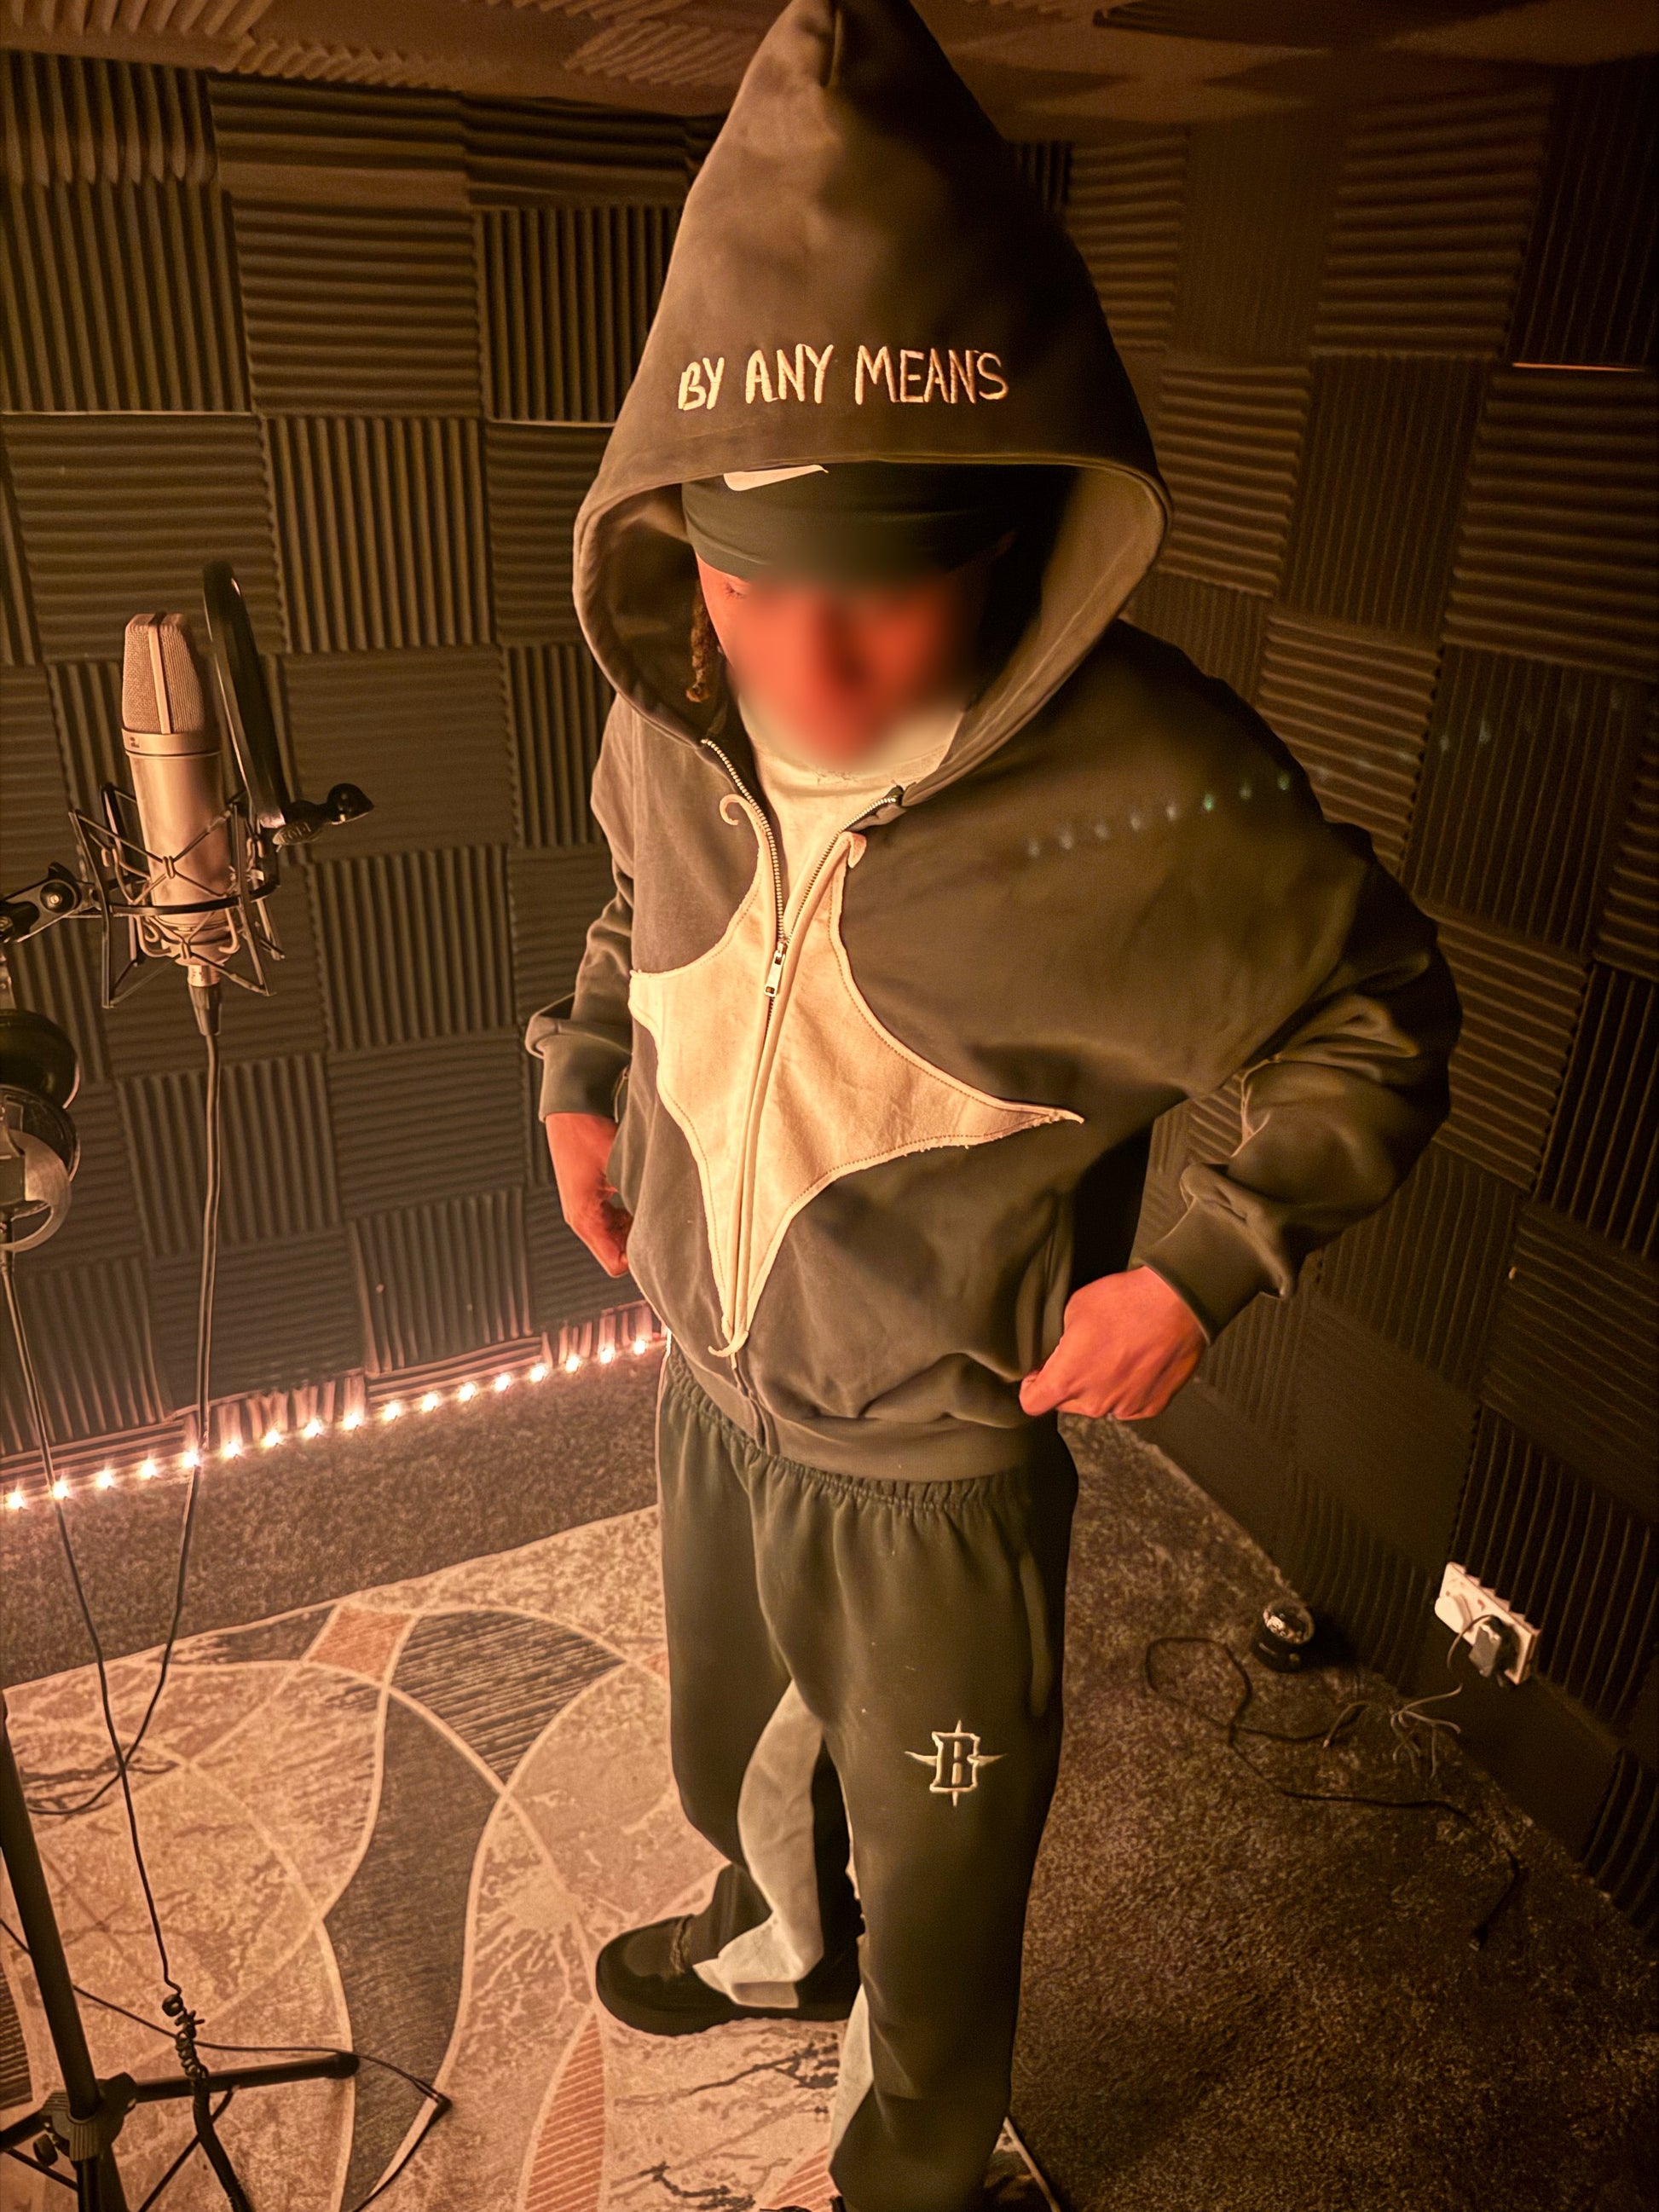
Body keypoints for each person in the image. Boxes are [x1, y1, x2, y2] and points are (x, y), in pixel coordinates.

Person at [525, 0, 1460, 2203]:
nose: (808, 667)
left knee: (941, 1874)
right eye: (754, 589)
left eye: (879, 600)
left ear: (1003, 534)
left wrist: (1203, 1268)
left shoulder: (1155, 782)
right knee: (727, 1746)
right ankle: (771, 1945)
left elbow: (1374, 1009)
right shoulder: (673, 694)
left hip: (932, 1464)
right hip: (711, 1389)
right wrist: (584, 1076)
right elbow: (634, 906)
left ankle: (918, 2164)